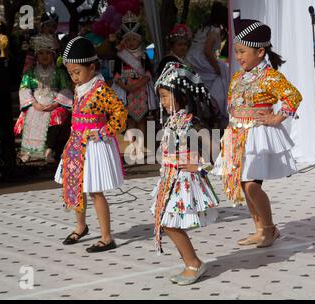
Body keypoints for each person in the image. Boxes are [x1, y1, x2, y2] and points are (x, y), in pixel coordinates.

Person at [213, 10, 303, 248]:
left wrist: (277, 117)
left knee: (252, 183)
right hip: (238, 134)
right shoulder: (238, 77)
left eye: (243, 51)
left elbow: (293, 96)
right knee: (244, 183)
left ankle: (269, 229)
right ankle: (260, 229)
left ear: (260, 51)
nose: (239, 56)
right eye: (237, 51)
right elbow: (232, 103)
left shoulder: (269, 77)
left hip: (257, 135)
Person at [54, 36, 128, 253]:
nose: (74, 77)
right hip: (76, 143)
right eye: (70, 73)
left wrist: (105, 131)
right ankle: (81, 226)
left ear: (92, 67)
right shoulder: (80, 87)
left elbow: (120, 112)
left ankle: (107, 236)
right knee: (77, 186)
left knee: (95, 191)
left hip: (95, 144)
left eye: (77, 72)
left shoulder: (100, 90)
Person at [152, 62, 219, 285]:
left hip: (184, 181)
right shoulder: (172, 121)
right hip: (170, 179)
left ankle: (194, 263)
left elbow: (216, 151)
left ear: (181, 95)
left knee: (169, 222)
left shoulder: (193, 124)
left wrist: (200, 167)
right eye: (160, 97)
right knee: (165, 222)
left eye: (165, 96)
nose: (162, 102)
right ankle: (190, 263)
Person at [14, 35, 73, 163]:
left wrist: (55, 104)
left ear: (53, 55)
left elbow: (66, 89)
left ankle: (49, 150)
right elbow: (24, 89)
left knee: (56, 116)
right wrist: (34, 104)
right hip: (35, 104)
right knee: (30, 115)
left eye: (48, 53)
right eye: (41, 53)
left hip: (53, 104)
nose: (44, 56)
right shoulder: (30, 72)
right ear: (36, 56)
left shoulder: (60, 72)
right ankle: (29, 150)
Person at [113, 11, 155, 161]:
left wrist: (139, 83)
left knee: (142, 120)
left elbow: (149, 73)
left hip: (141, 91)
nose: (131, 42)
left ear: (139, 40)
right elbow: (116, 75)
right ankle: (132, 147)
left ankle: (141, 146)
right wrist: (126, 87)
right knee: (130, 121)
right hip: (127, 92)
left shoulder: (144, 55)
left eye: (134, 39)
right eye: (128, 39)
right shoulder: (120, 56)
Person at [186, 1, 230, 127]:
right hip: (200, 58)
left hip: (192, 57)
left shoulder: (204, 27)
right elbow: (207, 50)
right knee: (223, 73)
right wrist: (216, 68)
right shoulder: (215, 29)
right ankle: (220, 107)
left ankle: (214, 106)